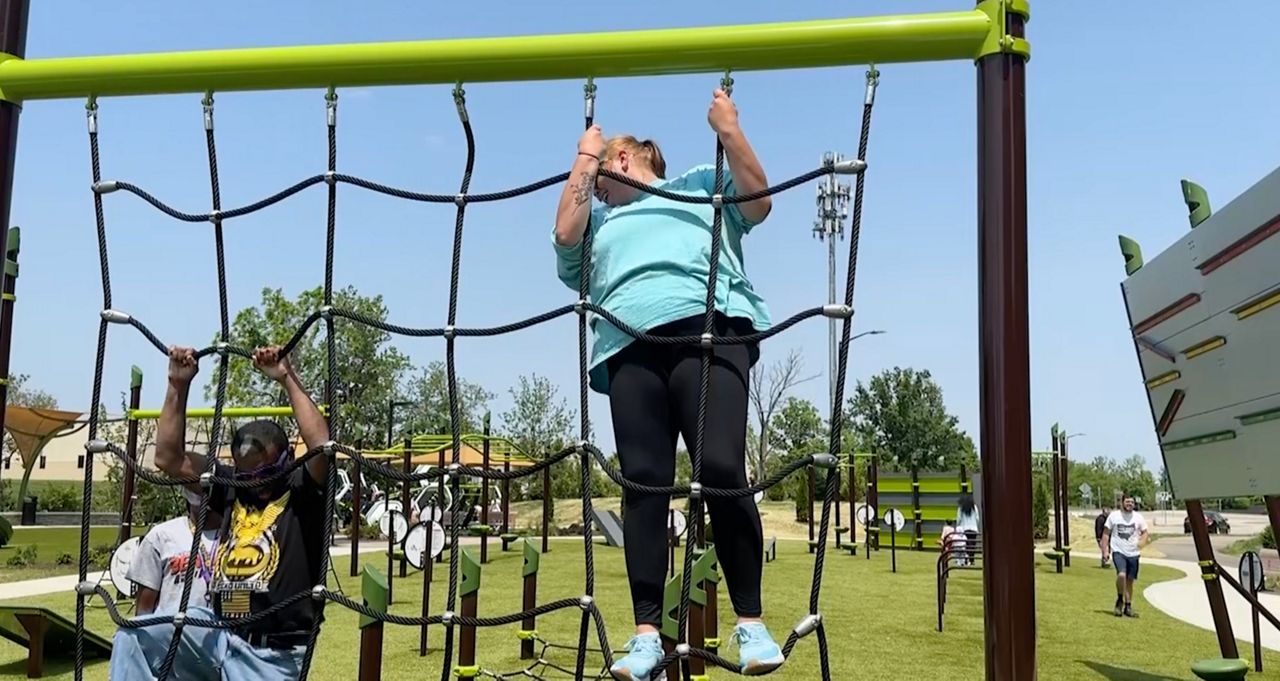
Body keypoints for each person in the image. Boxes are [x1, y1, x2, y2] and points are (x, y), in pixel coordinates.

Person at [552, 89, 781, 680]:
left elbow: (757, 204)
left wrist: (729, 127)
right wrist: (585, 157)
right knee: (645, 487)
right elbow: (565, 233)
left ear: (626, 159)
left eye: (603, 175)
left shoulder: (702, 185)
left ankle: (751, 622)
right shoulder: (600, 220)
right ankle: (647, 634)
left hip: (709, 328)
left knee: (723, 468)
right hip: (630, 345)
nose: (598, 188)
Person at [109, 345, 330, 680]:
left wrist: (287, 378)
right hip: (217, 634)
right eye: (248, 476)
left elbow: (322, 448)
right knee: (134, 635)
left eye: (266, 474)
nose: (258, 485)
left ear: (286, 460)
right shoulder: (231, 486)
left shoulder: (303, 490)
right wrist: (177, 386)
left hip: (273, 653)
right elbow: (168, 458)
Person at [126, 492, 222, 616]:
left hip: (226, 633)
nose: (204, 490)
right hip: (172, 632)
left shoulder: (243, 535)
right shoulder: (160, 536)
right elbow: (143, 612)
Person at [1101, 495, 1149, 618]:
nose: (1130, 504)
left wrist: (1142, 542)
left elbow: (1145, 532)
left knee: (1130, 581)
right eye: (1127, 501)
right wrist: (1105, 551)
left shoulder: (1138, 517)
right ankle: (1119, 600)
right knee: (1121, 575)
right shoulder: (1114, 516)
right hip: (1118, 551)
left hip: (1133, 553)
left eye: (1132, 502)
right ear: (1122, 503)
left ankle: (1128, 606)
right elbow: (1106, 534)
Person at [955, 493, 980, 566]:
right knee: (972, 545)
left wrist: (958, 527)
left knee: (965, 545)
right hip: (973, 528)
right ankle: (972, 559)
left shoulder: (961, 508)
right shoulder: (974, 507)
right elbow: (977, 518)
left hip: (964, 528)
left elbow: (958, 519)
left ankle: (966, 559)